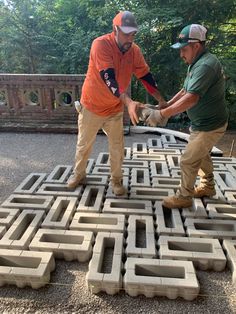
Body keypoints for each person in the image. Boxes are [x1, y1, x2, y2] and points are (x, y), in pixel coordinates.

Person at [67, 11, 166, 195]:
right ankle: (79, 174)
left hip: (114, 109)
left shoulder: (134, 51)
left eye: (133, 33)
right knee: (84, 145)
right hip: (92, 106)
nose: (130, 38)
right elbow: (109, 79)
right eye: (126, 33)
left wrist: (161, 100)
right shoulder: (101, 44)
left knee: (117, 147)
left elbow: (145, 76)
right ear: (115, 29)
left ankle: (117, 181)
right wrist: (128, 102)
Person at [144, 24, 228, 208]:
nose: (181, 54)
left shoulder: (205, 65)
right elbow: (185, 90)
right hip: (202, 123)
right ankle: (208, 186)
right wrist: (167, 105)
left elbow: (191, 98)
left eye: (184, 49)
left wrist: (161, 115)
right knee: (202, 153)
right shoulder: (196, 63)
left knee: (189, 160)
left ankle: (184, 197)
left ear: (196, 46)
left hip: (210, 124)